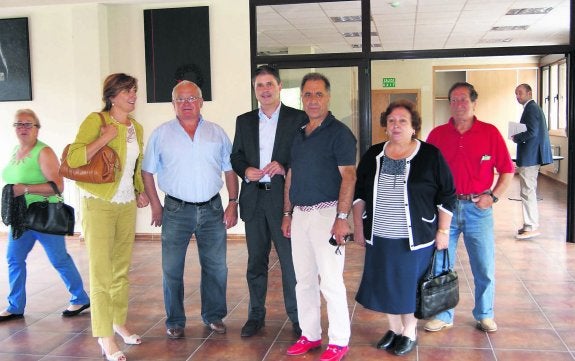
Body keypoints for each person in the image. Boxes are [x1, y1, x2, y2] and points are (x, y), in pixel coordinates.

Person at [353, 100, 455, 356]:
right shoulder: (373, 154)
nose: (396, 126)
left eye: (403, 121)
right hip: (379, 234)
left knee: (408, 285)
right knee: (385, 282)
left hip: (415, 237)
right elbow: (359, 193)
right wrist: (358, 226)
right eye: (391, 121)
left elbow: (447, 194)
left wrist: (443, 231)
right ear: (385, 127)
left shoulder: (430, 155)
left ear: (414, 127)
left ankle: (409, 330)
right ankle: (394, 328)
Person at [142, 80, 239, 340]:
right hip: (176, 210)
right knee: (172, 269)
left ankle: (214, 315)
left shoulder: (217, 133)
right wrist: (155, 205)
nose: (186, 104)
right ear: (173, 104)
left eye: (191, 98)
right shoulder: (161, 134)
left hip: (212, 210)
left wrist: (233, 202)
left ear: (201, 102)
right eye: (180, 100)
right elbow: (147, 171)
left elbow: (230, 170)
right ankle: (175, 320)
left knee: (217, 267)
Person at [66, 73, 149, 361]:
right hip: (98, 203)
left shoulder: (136, 127)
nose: (133, 96)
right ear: (112, 96)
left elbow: (134, 166)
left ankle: (118, 321)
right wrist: (103, 138)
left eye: (135, 90)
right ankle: (105, 336)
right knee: (101, 273)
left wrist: (139, 190)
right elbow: (74, 159)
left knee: (121, 270)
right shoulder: (96, 121)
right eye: (128, 91)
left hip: (125, 204)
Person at [426, 82, 514, 334]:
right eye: (453, 100)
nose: (458, 104)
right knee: (441, 264)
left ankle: (485, 314)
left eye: (463, 99)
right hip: (446, 211)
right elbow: (428, 172)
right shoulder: (438, 135)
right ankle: (443, 314)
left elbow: (508, 170)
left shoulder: (490, 132)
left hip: (479, 209)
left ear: (474, 103)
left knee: (483, 265)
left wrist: (493, 197)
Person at [281, 73, 356, 361]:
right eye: (308, 95)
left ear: (328, 97)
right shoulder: (299, 134)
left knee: (331, 281)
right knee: (304, 280)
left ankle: (339, 340)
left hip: (328, 213)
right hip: (300, 215)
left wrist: (341, 216)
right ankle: (310, 334)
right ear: (302, 98)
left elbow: (348, 176)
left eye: (319, 94)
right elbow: (292, 176)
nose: (313, 100)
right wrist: (287, 213)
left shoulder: (339, 133)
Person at [231, 65, 306, 337]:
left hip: (283, 201)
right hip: (254, 199)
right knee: (256, 262)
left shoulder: (297, 118)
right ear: (255, 90)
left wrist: (284, 166)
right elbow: (236, 155)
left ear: (279, 86)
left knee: (289, 263)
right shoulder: (244, 120)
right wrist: (244, 170)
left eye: (269, 84)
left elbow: (302, 156)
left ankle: (298, 318)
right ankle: (255, 316)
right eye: (259, 85)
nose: (264, 90)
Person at [1, 109, 90, 323]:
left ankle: (80, 297)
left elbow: (57, 186)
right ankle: (15, 306)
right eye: (18, 124)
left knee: (59, 259)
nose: (23, 128)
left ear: (37, 128)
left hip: (43, 217)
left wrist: (26, 189)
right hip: (20, 216)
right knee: (14, 259)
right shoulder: (15, 150)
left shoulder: (44, 152)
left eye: (28, 124)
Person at [512, 83, 553, 240]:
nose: (518, 96)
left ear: (529, 93)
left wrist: (516, 137)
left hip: (530, 156)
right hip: (532, 155)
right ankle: (529, 224)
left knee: (527, 191)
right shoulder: (532, 108)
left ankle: (531, 225)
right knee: (527, 190)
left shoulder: (531, 109)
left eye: (520, 93)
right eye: (516, 94)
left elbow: (532, 132)